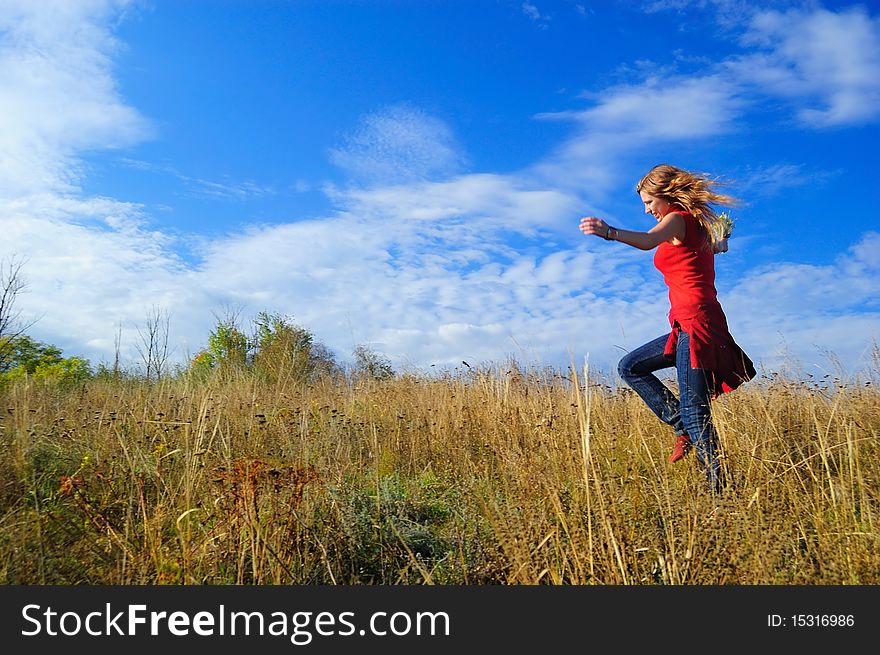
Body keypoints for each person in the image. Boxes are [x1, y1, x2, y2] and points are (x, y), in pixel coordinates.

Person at [579, 164, 755, 492]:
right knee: (630, 366)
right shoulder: (697, 227)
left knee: (695, 409)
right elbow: (713, 248)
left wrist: (609, 232)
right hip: (686, 324)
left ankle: (722, 492)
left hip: (697, 322)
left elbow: (647, 242)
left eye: (648, 202)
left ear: (666, 195)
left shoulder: (677, 219)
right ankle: (681, 425)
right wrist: (721, 242)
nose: (647, 210)